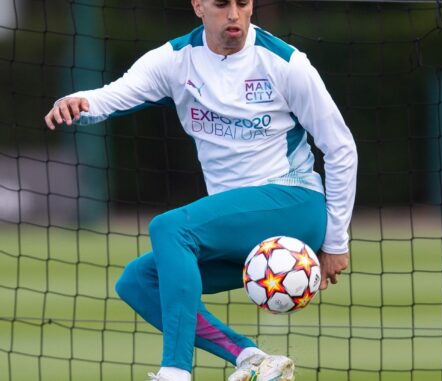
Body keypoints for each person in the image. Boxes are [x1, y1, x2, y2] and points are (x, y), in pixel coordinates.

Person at [43, 0, 358, 380]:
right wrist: (78, 103)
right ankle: (251, 358)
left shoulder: (286, 63)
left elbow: (341, 148)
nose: (234, 14)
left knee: (170, 228)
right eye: (221, 3)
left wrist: (336, 241)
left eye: (243, 3)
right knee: (139, 282)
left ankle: (175, 372)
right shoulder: (176, 59)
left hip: (293, 204)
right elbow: (116, 94)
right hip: (237, 226)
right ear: (198, 6)